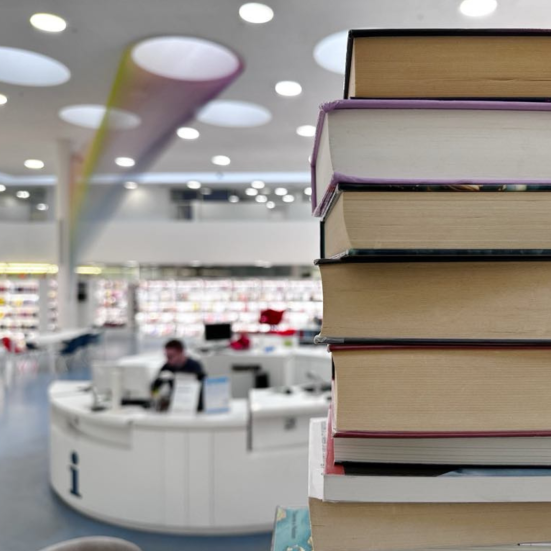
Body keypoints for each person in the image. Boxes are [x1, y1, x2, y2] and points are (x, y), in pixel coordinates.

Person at [151, 339, 206, 411]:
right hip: (176, 406)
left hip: (196, 405)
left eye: (171, 356)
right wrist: (156, 397)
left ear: (181, 352)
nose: (168, 360)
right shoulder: (166, 367)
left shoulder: (194, 366)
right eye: (166, 356)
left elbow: (203, 386)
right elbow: (154, 387)